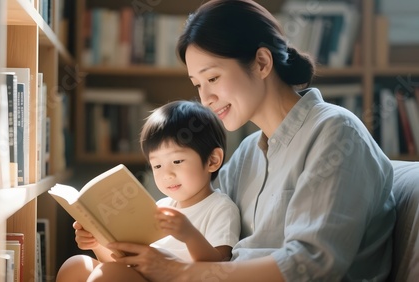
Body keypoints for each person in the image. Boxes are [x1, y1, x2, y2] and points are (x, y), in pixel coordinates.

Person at [67, 0, 397, 281]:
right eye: (197, 84)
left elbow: (309, 265)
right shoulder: (247, 155)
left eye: (213, 77)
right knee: (79, 267)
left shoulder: (335, 132)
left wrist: (179, 273)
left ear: (262, 63)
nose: (206, 97)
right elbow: (202, 225)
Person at [56, 100, 241, 281]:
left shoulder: (220, 208)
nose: (166, 174)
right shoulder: (160, 207)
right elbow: (122, 263)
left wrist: (190, 235)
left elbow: (220, 268)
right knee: (76, 265)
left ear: (212, 160)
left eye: (177, 161)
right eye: (157, 165)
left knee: (107, 275)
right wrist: (97, 242)